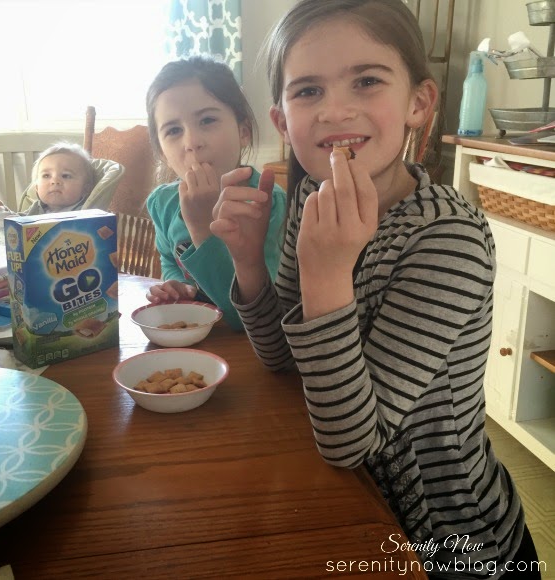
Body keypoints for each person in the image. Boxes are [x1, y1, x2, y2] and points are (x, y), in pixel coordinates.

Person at [210, 0, 541, 578]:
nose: (335, 110)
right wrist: (248, 261)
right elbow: (284, 361)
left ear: (418, 103)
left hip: (455, 542)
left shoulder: (447, 237)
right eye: (308, 90)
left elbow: (353, 442)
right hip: (357, 509)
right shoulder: (314, 199)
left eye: (366, 81)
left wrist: (327, 274)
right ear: (283, 122)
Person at [144, 55, 286, 331]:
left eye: (207, 120)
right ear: (162, 152)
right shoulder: (162, 203)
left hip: (250, 346)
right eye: (173, 130)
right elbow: (170, 259)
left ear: (243, 132)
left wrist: (203, 228)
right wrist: (178, 285)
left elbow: (256, 318)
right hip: (193, 338)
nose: (192, 142)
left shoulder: (265, 203)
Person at [0, 143, 97, 216]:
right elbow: (18, 223)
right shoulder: (37, 208)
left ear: (85, 188)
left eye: (66, 176)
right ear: (36, 188)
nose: (55, 181)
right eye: (46, 176)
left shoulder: (85, 212)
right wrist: (1, 212)